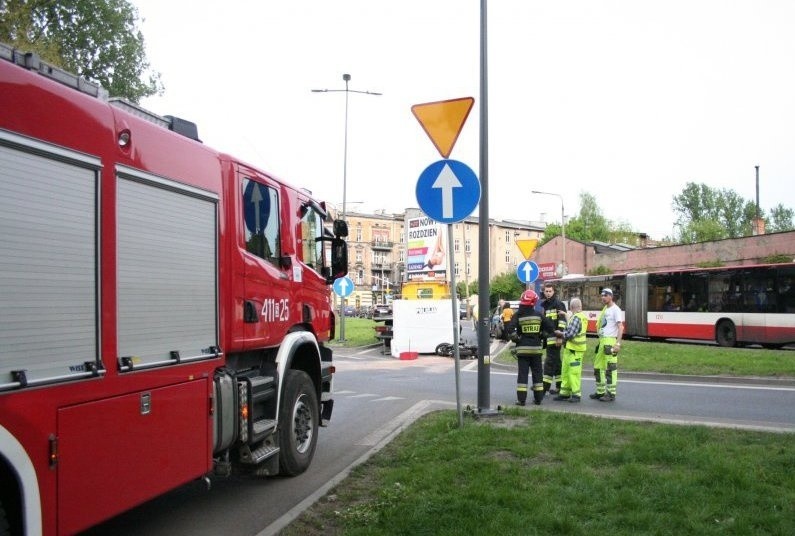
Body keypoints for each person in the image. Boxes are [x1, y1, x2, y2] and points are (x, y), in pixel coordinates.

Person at [506, 289, 551, 406]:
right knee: (538, 374)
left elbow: (509, 330)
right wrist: (541, 336)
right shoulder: (538, 315)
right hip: (536, 350)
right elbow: (550, 328)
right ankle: (538, 399)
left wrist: (517, 339)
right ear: (534, 302)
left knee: (522, 375)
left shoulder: (518, 315)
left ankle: (521, 400)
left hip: (523, 350)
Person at [590, 288, 624, 402]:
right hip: (603, 341)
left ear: (611, 296)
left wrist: (617, 344)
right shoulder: (605, 308)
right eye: (602, 295)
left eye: (605, 295)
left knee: (610, 369)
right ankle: (600, 392)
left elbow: (621, 327)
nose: (602, 297)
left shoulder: (616, 310)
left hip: (610, 342)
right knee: (598, 367)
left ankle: (611, 393)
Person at [553, 297, 588, 403]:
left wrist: (559, 334)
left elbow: (569, 334)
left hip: (575, 351)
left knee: (573, 373)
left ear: (572, 307)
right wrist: (566, 315)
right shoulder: (577, 316)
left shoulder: (577, 318)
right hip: (570, 350)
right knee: (566, 372)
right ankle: (564, 393)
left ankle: (576, 395)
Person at [540, 283, 567, 395]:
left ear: (554, 291)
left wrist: (560, 337)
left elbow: (562, 321)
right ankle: (560, 386)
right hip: (548, 338)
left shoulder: (558, 304)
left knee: (549, 363)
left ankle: (544, 388)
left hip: (555, 338)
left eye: (550, 291)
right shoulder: (545, 305)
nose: (548, 293)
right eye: (546, 291)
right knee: (556, 363)